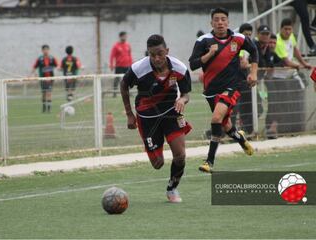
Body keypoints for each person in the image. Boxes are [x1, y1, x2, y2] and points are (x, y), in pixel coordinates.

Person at [120, 34, 192, 203]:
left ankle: (172, 188)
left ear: (167, 51)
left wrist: (182, 99)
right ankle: (154, 147)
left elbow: (187, 94)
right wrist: (130, 114)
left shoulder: (180, 68)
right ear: (148, 54)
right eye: (152, 55)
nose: (157, 58)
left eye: (160, 53)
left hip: (171, 113)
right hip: (147, 118)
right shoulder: (139, 68)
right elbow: (123, 85)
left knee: (180, 155)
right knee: (158, 163)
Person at [189, 7, 258, 173]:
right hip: (211, 89)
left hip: (232, 85)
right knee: (225, 125)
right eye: (216, 19)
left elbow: (254, 51)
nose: (220, 22)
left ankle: (209, 161)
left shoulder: (239, 38)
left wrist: (253, 73)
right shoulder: (203, 41)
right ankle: (240, 138)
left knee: (216, 118)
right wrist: (209, 55)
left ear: (228, 22)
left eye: (223, 19)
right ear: (211, 22)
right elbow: (193, 64)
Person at [31, 44, 58, 113]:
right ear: (42, 51)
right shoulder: (40, 59)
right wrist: (34, 74)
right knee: (43, 93)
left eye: (47, 49)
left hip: (50, 79)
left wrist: (57, 74)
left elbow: (57, 66)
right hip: (42, 79)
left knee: (49, 93)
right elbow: (34, 67)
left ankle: (49, 109)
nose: (46, 51)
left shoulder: (52, 58)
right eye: (44, 50)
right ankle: (44, 107)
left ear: (49, 50)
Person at [110, 31, 133, 98]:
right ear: (120, 37)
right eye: (124, 36)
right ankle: (114, 93)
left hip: (127, 66)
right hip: (119, 66)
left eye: (126, 36)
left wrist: (131, 64)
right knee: (116, 79)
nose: (125, 37)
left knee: (128, 79)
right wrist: (111, 65)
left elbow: (130, 55)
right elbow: (112, 56)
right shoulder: (116, 46)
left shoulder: (128, 45)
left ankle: (129, 92)